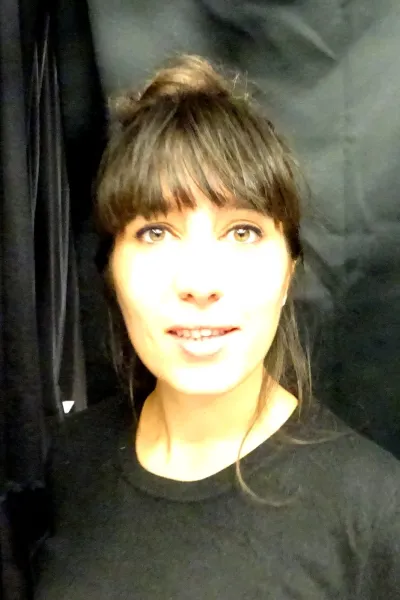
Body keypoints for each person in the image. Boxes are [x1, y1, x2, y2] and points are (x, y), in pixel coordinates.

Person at [35, 55, 400, 599]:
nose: (200, 283)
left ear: (289, 273)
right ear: (110, 271)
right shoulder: (74, 459)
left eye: (243, 232)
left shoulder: (375, 511)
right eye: (156, 232)